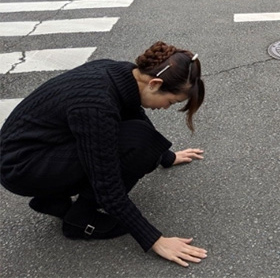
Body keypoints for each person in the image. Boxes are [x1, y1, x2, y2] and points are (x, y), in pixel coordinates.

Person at [0, 41, 207, 267]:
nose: (166, 108)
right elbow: (107, 185)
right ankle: (80, 219)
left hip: (37, 149)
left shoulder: (120, 72)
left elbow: (134, 114)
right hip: (21, 168)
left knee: (143, 140)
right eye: (171, 101)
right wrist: (154, 240)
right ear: (155, 84)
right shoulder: (97, 105)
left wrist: (165, 156)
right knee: (138, 147)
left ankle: (52, 199)